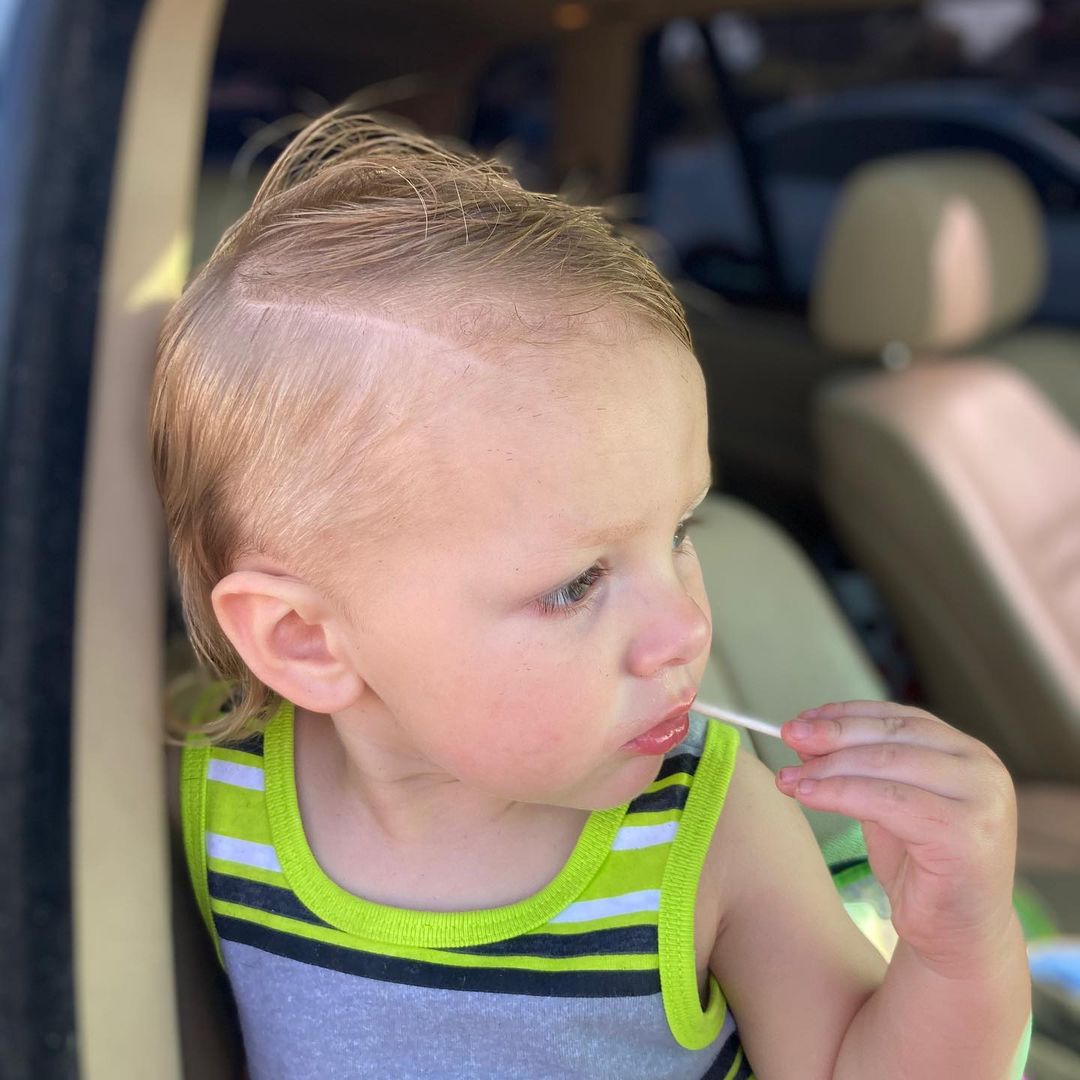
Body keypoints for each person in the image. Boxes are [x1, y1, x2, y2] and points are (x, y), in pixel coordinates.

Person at [151, 108, 1031, 1079]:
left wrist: (957, 943)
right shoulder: (205, 784)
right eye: (577, 584)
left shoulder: (703, 822)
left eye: (682, 532)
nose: (687, 629)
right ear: (307, 643)